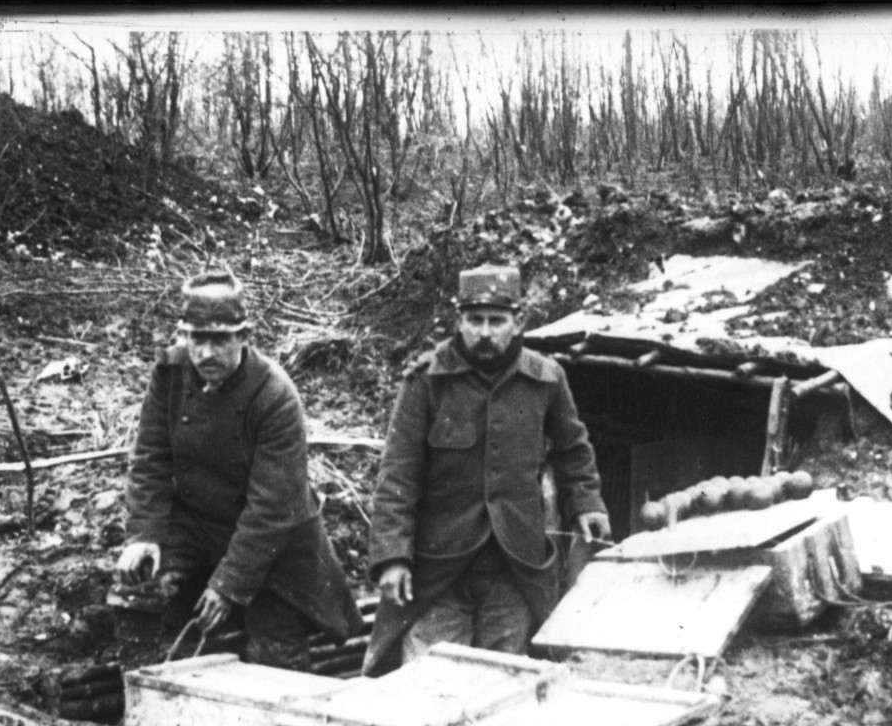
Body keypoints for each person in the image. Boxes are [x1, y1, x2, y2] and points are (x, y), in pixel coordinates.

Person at [363, 264, 610, 676]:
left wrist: (587, 502)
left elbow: (574, 451)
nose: (485, 332)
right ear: (459, 320)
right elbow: (397, 477)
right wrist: (392, 556)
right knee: (430, 681)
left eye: (497, 321)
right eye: (474, 320)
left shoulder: (546, 380)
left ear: (519, 322)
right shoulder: (427, 381)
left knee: (503, 680)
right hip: (438, 567)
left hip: (515, 565)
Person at [114, 268, 364, 671]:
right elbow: (149, 460)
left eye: (220, 340)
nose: (207, 353)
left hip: (272, 543)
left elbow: (272, 508)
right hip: (197, 525)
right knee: (142, 590)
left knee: (275, 657)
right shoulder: (170, 374)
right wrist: (144, 534)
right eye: (197, 339)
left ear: (244, 338)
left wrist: (229, 586)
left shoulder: (274, 396)